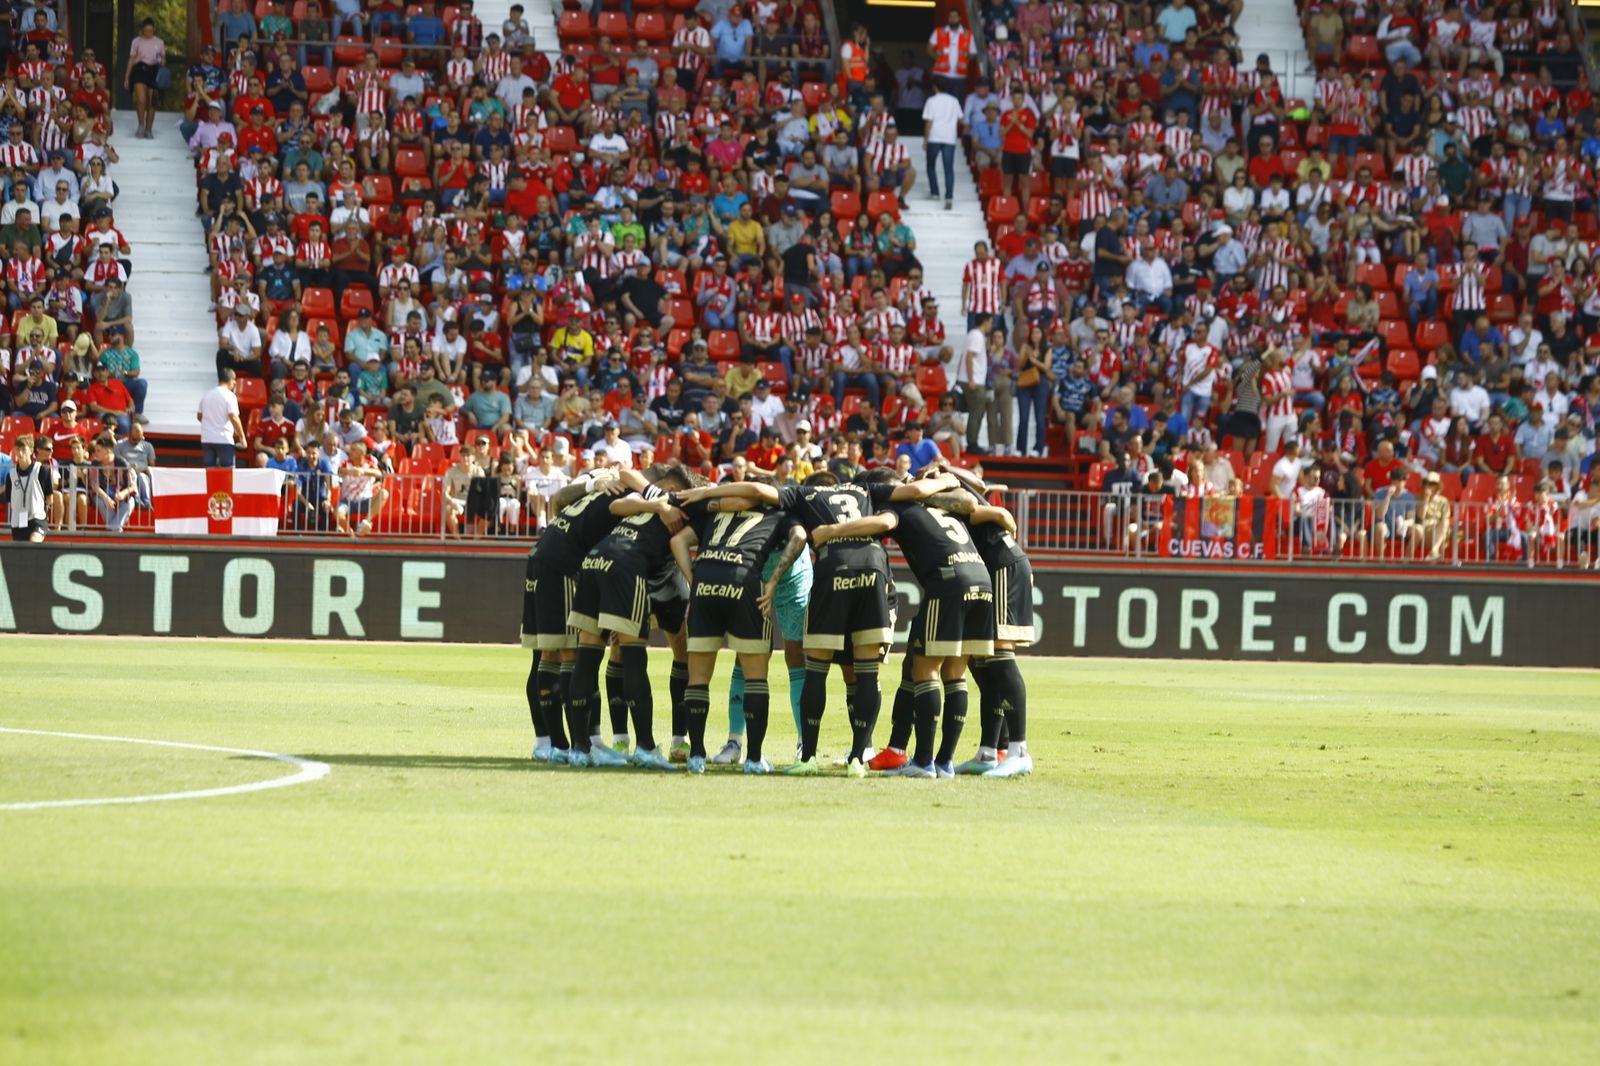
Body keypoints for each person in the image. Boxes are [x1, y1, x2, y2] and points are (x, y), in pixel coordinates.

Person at [2, 435, 51, 541]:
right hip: (18, 521)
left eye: (23, 449)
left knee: (33, 544)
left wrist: (40, 511)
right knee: (22, 555)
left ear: (31, 451)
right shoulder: (11, 475)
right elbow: (11, 500)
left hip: (37, 518)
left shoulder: (42, 470)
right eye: (18, 449)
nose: (20, 453)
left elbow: (49, 497)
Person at [922, 82, 962, 210]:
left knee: (930, 164)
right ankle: (949, 196)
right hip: (949, 137)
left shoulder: (931, 100)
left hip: (934, 136)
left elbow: (929, 121)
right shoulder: (954, 100)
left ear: (935, 87)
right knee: (948, 168)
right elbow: (960, 119)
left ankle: (935, 192)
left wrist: (925, 139)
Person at [123, 19, 164, 139]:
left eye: (151, 31)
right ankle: (141, 125)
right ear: (142, 30)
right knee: (141, 99)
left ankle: (149, 128)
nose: (148, 33)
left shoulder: (159, 42)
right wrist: (127, 77)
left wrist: (162, 60)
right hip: (140, 69)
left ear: (154, 30)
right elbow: (132, 59)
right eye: (146, 31)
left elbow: (163, 58)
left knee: (152, 102)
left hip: (154, 71)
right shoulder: (136, 41)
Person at [198, 368, 246, 468]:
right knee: (227, 472)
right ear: (230, 380)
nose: (235, 383)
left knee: (209, 472)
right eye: (234, 380)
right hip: (224, 439)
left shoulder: (206, 395)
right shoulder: (230, 396)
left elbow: (199, 416)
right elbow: (234, 417)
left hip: (207, 439)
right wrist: (242, 438)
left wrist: (211, 422)